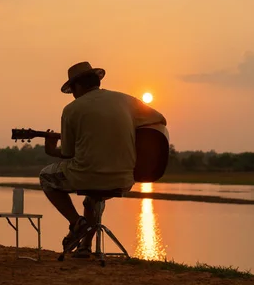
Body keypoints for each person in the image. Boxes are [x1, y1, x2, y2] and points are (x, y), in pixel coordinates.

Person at [39, 61, 167, 258]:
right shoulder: (126, 101)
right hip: (123, 179)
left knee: (46, 177)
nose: (73, 94)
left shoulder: (71, 109)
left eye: (72, 90)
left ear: (78, 86)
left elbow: (68, 154)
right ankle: (85, 246)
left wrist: (51, 150)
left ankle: (77, 223)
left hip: (86, 176)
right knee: (94, 196)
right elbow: (160, 119)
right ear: (96, 81)